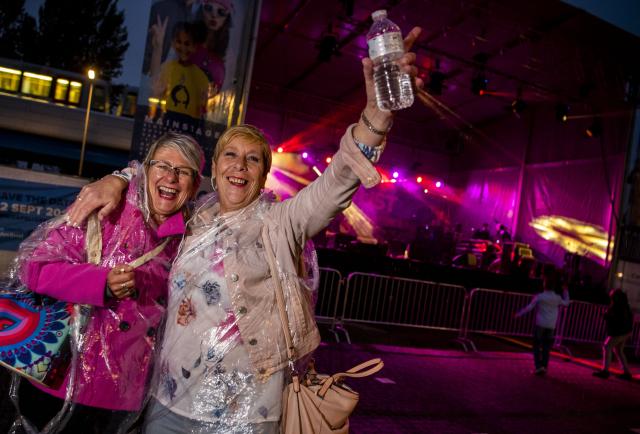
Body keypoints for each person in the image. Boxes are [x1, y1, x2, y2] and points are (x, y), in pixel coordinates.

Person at [65, 27, 423, 433]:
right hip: (168, 404)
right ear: (214, 170)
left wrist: (377, 113)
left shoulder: (282, 223)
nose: (240, 165)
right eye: (230, 156)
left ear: (264, 175)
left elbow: (337, 181)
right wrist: (119, 176)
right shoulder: (189, 219)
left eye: (252, 160)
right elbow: (153, 179)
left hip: (247, 415)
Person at [8, 133, 203, 433]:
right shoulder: (106, 210)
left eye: (183, 171)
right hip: (61, 378)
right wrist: (101, 283)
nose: (171, 177)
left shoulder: (192, 240)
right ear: (146, 171)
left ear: (194, 187)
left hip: (124, 398)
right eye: (162, 165)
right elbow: (34, 266)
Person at [515, 266, 570, 375]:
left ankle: (538, 366)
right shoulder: (557, 298)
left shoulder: (540, 296)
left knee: (536, 345)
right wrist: (565, 291)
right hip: (551, 325)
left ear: (544, 285)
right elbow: (566, 303)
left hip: (540, 323)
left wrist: (519, 314)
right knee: (546, 347)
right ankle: (544, 366)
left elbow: (529, 308)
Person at [151, 21, 210, 120]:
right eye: (179, 42)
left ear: (195, 47)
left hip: (189, 124)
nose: (183, 47)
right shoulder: (168, 67)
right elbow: (156, 87)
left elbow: (203, 108)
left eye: (187, 44)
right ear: (173, 43)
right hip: (168, 119)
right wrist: (157, 47)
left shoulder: (201, 77)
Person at [593, 289, 634, 380]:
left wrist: (606, 316)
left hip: (619, 332)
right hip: (625, 331)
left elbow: (615, 319)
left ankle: (605, 371)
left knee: (607, 346)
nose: (610, 297)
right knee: (619, 350)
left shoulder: (617, 306)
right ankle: (626, 372)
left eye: (612, 296)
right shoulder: (625, 306)